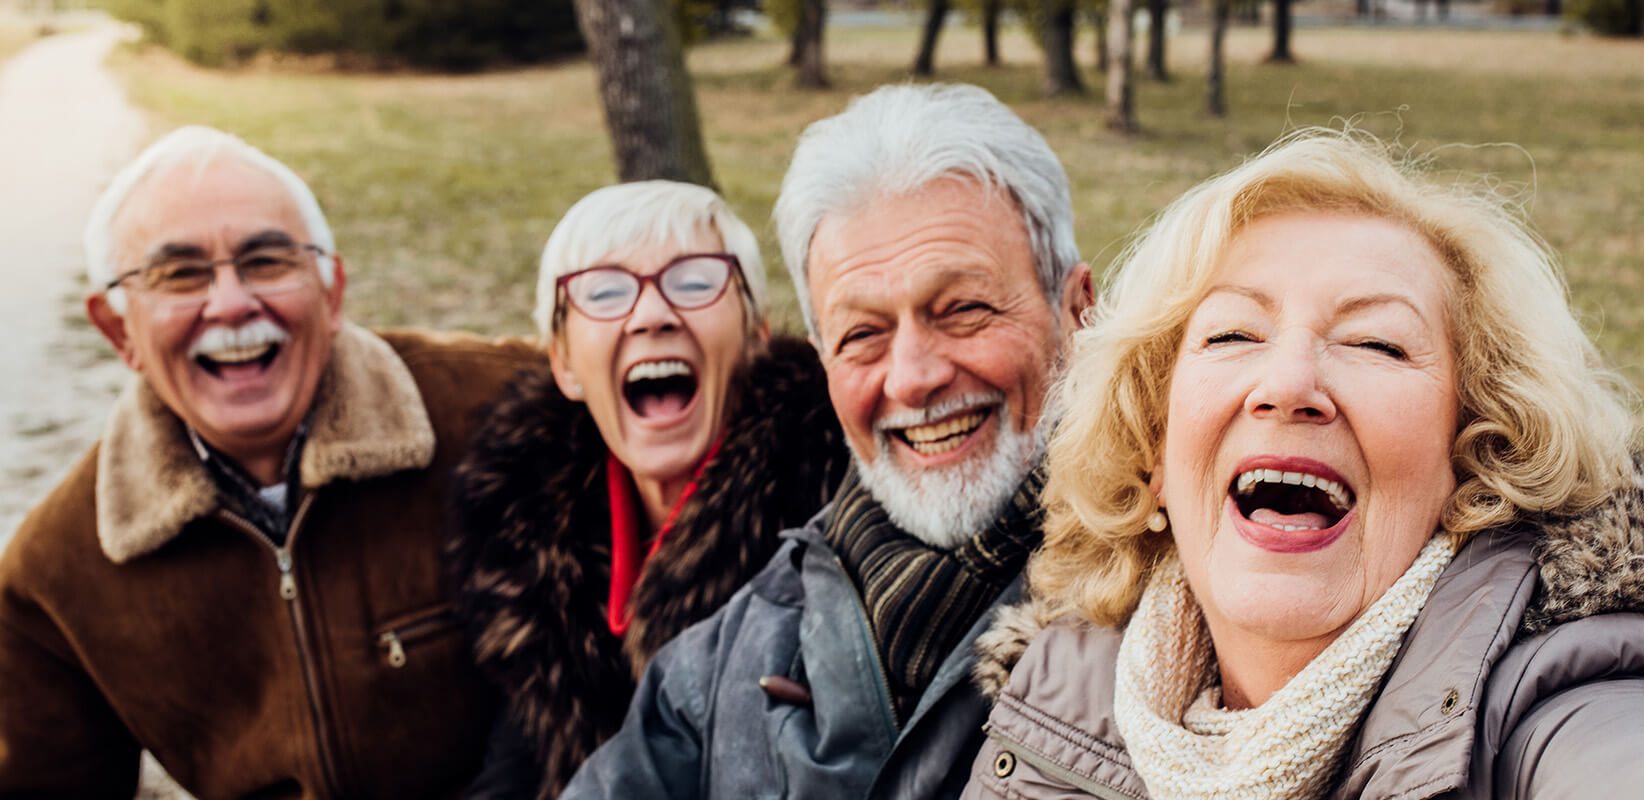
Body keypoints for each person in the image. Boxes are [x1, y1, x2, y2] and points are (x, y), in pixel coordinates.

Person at [963, 131, 1644, 800]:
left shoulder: (1558, 692)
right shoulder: (1061, 692)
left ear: (1478, 455)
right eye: (1234, 334)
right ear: (1153, 452)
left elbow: (1641, 766)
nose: (1287, 386)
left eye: (1376, 343)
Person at [560, 83, 1095, 800]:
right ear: (822, 360)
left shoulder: (1190, 607)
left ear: (1078, 310)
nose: (912, 378)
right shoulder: (711, 670)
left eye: (964, 309)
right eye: (862, 335)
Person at [0, 126, 540, 796]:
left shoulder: (510, 410)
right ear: (119, 331)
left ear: (331, 291)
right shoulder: (54, 574)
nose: (230, 304)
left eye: (267, 262)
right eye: (178, 274)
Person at [444, 181, 846, 800]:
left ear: (756, 333)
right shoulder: (527, 553)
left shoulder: (836, 516)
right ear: (565, 364)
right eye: (604, 291)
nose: (652, 315)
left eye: (694, 282)